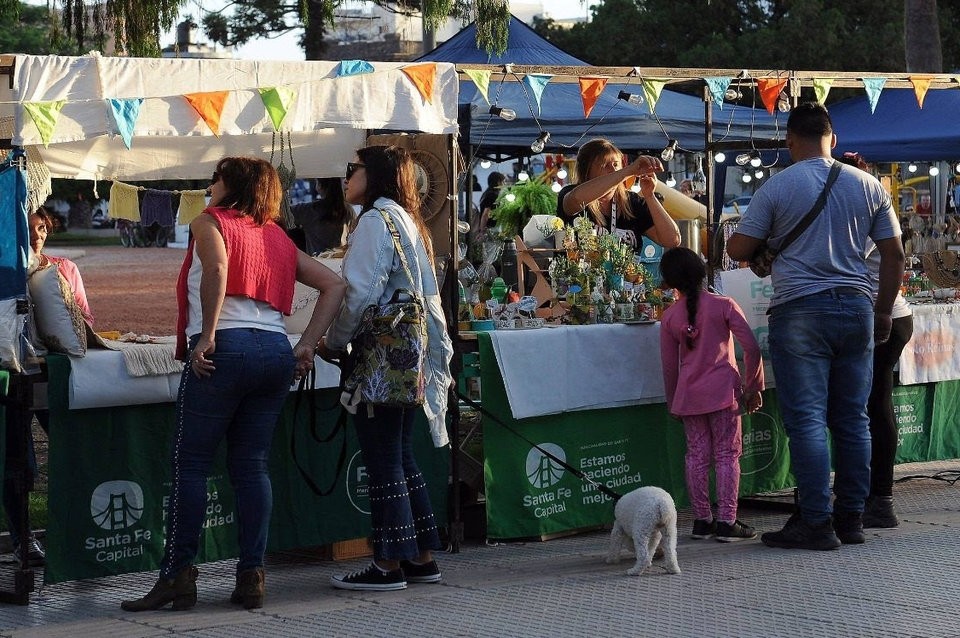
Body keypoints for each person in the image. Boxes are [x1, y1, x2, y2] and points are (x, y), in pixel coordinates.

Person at [121, 157, 345, 612]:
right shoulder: (277, 236)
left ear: (232, 185)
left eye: (216, 178)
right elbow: (334, 285)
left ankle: (178, 575)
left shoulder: (209, 222)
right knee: (252, 466)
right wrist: (304, 346)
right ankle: (252, 575)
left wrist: (206, 335)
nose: (209, 185)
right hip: (273, 352)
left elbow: (219, 269)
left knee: (191, 464)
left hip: (227, 349)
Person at [726, 102, 905, 550]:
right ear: (834, 138)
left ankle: (816, 522)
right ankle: (851, 519)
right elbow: (895, 255)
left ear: (789, 142)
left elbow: (738, 247)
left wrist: (764, 241)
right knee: (852, 418)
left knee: (806, 419)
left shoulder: (778, 186)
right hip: (857, 307)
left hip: (800, 310)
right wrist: (883, 311)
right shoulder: (869, 185)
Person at [316, 145, 453, 592]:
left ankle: (387, 563)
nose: (346, 175)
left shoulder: (375, 222)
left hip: (380, 356)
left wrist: (334, 342)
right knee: (400, 455)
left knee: (382, 459)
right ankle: (421, 556)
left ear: (372, 175)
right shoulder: (407, 220)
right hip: (408, 356)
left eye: (352, 168)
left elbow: (357, 292)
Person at [3, 207, 93, 568]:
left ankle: (76, 531)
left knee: (74, 449)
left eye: (42, 228)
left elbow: (84, 319)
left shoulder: (64, 268)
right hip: (15, 374)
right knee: (18, 460)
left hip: (53, 372)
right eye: (30, 228)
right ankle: (22, 539)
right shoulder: (6, 271)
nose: (37, 234)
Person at [658, 247, 764, 543]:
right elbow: (752, 349)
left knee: (696, 456)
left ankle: (702, 521)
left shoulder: (669, 317)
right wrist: (754, 386)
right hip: (723, 395)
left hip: (689, 398)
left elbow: (669, 367)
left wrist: (673, 402)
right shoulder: (724, 305)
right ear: (703, 272)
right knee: (728, 454)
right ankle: (727, 521)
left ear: (670, 283)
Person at [838, 151, 914, 528]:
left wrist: (880, 312)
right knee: (869, 405)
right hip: (888, 314)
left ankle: (878, 498)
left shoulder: (864, 207)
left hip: (881, 316)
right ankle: (872, 495)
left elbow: (888, 256)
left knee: (869, 407)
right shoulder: (872, 199)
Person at [556, 138, 681, 250]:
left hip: (626, 276)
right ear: (587, 171)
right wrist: (628, 171)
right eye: (605, 165)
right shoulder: (570, 192)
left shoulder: (632, 201)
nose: (613, 170)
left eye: (616, 164)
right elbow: (576, 199)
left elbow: (672, 240)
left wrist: (649, 196)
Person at [289, 177, 355, 255]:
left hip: (316, 263)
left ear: (319, 186)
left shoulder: (309, 211)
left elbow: (284, 213)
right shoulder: (349, 210)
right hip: (340, 261)